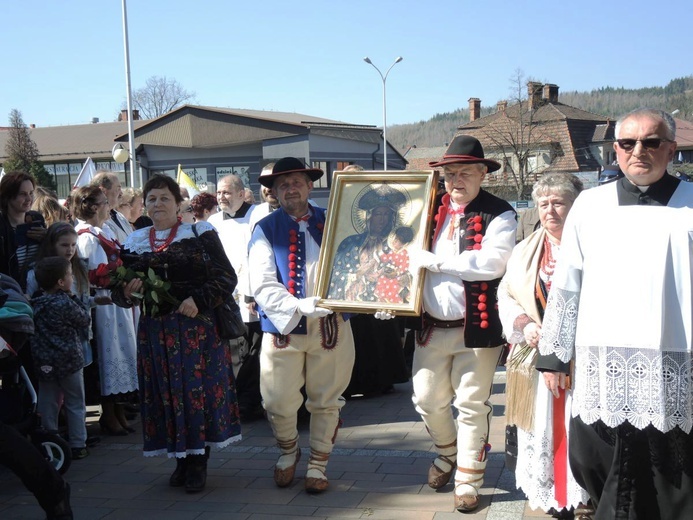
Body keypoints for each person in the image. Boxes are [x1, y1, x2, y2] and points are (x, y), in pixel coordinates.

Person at [537, 108, 693, 519]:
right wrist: (555, 355)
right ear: (616, 149)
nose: (638, 151)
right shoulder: (589, 206)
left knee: (674, 476)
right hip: (602, 367)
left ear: (671, 149)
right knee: (600, 464)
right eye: (627, 143)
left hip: (674, 364)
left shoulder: (692, 205)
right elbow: (567, 284)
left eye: (651, 142)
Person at [114, 174, 241, 493]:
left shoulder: (199, 232)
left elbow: (227, 278)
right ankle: (180, 459)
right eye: (152, 199)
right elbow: (119, 290)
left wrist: (197, 300)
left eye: (164, 198)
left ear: (178, 203)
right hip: (156, 332)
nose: (157, 204)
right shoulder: (135, 240)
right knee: (166, 395)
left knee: (194, 393)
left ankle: (198, 460)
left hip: (196, 330)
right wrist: (128, 292)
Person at [409, 135, 517, 513]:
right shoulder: (425, 210)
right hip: (430, 327)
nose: (456, 180)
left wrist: (437, 263)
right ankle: (449, 451)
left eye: (465, 172)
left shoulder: (500, 213)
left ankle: (468, 478)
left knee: (471, 404)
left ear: (482, 174)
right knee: (426, 400)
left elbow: (493, 263)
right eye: (450, 173)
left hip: (476, 329)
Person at [248, 157, 355, 493]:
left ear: (310, 186)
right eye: (282, 184)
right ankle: (288, 450)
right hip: (284, 328)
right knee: (276, 400)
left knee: (327, 399)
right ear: (274, 192)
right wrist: (297, 306)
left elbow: (362, 263)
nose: (290, 188)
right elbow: (262, 282)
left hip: (331, 326)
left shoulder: (336, 221)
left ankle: (319, 465)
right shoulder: (264, 229)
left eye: (296, 182)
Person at [497, 173, 590, 516]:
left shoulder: (596, 245)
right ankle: (553, 494)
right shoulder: (525, 249)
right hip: (536, 358)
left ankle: (585, 492)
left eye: (559, 202)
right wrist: (525, 324)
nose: (550, 210)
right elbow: (506, 293)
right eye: (544, 203)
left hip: (584, 358)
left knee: (580, 426)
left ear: (576, 204)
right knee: (541, 426)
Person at [72, 186, 138, 436]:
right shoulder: (86, 236)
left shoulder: (100, 231)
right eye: (103, 203)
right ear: (92, 207)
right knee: (108, 355)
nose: (107, 207)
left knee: (120, 353)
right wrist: (114, 278)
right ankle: (108, 413)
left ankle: (117, 409)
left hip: (114, 303)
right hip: (102, 306)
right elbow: (89, 276)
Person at [209, 174, 260, 419]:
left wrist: (253, 293)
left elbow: (259, 257)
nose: (221, 197)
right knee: (231, 353)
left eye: (227, 192)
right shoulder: (213, 222)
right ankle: (232, 401)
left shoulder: (258, 215)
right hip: (225, 297)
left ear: (241, 193)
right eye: (219, 193)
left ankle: (251, 401)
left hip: (251, 296)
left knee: (253, 351)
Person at [32, 257, 91, 460]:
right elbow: (84, 319)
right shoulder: (64, 302)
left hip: (44, 361)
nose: (72, 277)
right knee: (75, 401)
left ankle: (49, 439)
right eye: (69, 274)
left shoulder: (35, 303)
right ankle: (78, 443)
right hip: (69, 361)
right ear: (60, 282)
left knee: (48, 401)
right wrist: (74, 298)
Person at [0, 171, 46, 289]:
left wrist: (48, 239)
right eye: (23, 194)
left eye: (31, 193)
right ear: (8, 196)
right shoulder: (2, 226)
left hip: (38, 291)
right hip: (11, 294)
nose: (29, 198)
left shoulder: (37, 219)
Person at [374, 225, 414, 304]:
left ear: (404, 244)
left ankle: (393, 303)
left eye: (397, 240)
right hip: (387, 275)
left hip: (396, 277)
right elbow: (385, 259)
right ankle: (382, 300)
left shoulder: (404, 253)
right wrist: (380, 250)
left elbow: (404, 266)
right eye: (395, 238)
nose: (394, 241)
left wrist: (397, 272)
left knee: (392, 288)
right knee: (382, 280)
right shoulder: (392, 252)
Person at [91, 171, 132, 244]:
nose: (121, 193)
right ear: (103, 191)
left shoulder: (120, 216)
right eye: (118, 189)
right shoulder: (96, 221)